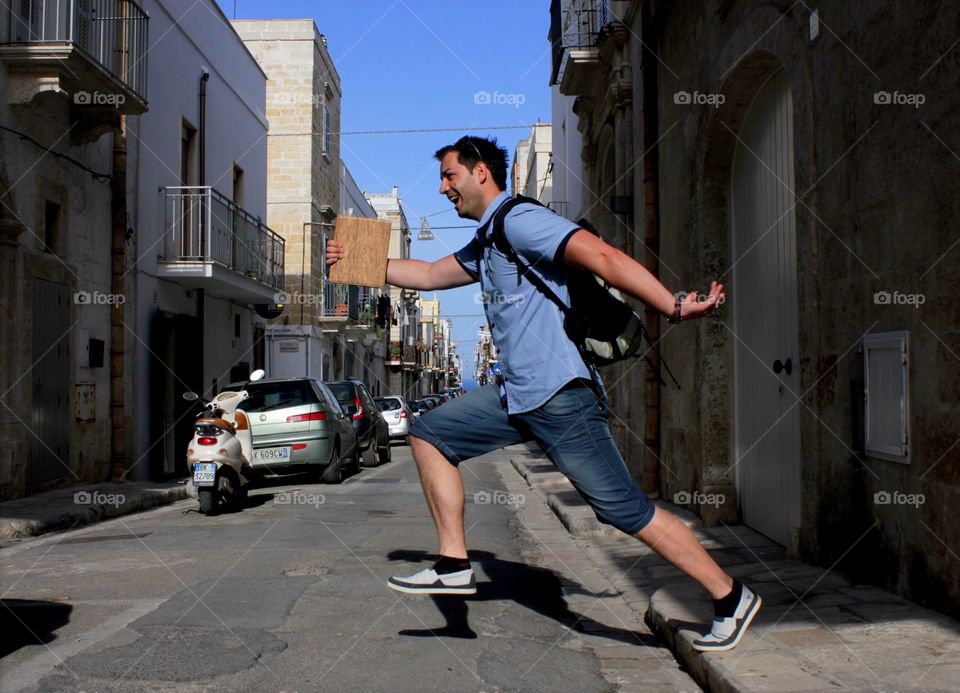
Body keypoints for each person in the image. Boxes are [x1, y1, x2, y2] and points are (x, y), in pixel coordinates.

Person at [325, 136, 761, 652]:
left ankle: (730, 596)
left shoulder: (518, 222)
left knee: (623, 512)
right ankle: (453, 563)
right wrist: (357, 260)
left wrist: (673, 305)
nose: (443, 189)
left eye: (449, 176)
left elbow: (601, 254)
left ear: (481, 172)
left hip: (559, 396)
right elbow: (425, 274)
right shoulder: (488, 240)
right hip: (517, 397)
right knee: (430, 432)